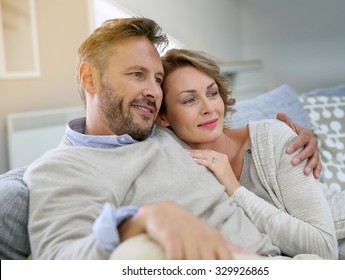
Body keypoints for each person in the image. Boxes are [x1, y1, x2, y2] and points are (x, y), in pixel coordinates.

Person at [25, 17, 323, 260]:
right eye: (137, 74)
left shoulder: (161, 132)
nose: (154, 91)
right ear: (89, 78)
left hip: (286, 260)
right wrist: (137, 221)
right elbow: (59, 258)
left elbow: (214, 119)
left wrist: (295, 135)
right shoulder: (59, 169)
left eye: (157, 79)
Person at [156, 48, 345, 260]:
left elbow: (323, 250)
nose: (208, 108)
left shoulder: (271, 137)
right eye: (189, 100)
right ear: (163, 117)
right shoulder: (176, 162)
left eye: (212, 93)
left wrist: (235, 190)